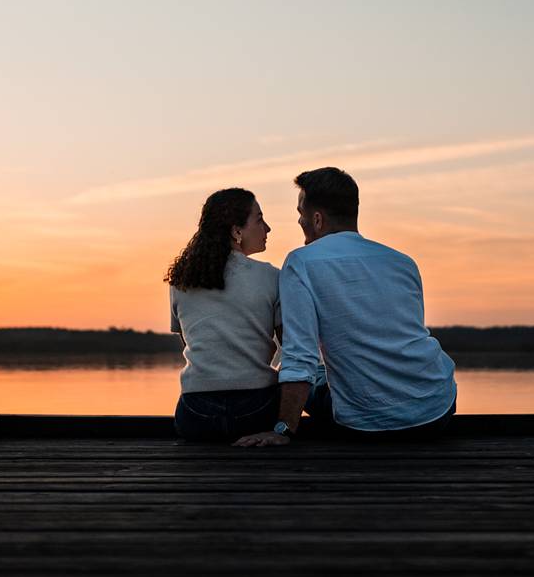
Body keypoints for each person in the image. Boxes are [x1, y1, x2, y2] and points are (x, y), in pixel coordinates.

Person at [236, 167, 456, 447]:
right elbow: (401, 338)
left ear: (317, 219)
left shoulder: (301, 263)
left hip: (363, 424)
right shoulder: (403, 262)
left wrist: (282, 429)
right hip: (436, 409)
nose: (299, 221)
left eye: (300, 213)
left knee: (297, 369)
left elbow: (299, 353)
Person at [165, 187, 281, 442]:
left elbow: (189, 341)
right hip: (256, 411)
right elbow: (291, 348)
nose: (268, 228)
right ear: (236, 231)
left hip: (196, 414)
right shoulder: (272, 277)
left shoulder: (181, 280)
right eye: (259, 219)